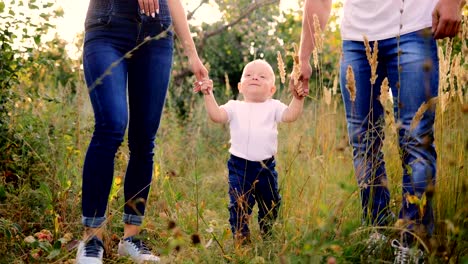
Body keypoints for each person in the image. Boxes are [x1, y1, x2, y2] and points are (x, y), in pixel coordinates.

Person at [297, 0, 463, 260]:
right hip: (355, 39)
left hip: (414, 29)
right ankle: (378, 228)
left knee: (415, 140)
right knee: (363, 143)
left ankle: (413, 241)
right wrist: (304, 57)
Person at [76, 0, 208, 263]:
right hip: (107, 25)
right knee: (111, 125)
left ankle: (131, 238)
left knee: (144, 138)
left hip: (157, 33)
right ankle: (92, 239)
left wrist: (192, 54)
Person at [194, 59, 306, 244]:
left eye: (262, 76)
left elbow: (290, 115)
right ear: (240, 86)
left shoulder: (274, 106)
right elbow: (217, 116)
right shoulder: (234, 106)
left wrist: (298, 98)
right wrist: (208, 94)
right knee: (239, 205)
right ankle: (242, 240)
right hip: (239, 166)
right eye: (248, 75)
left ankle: (268, 233)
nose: (255, 77)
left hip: (266, 167)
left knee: (270, 203)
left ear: (272, 89)